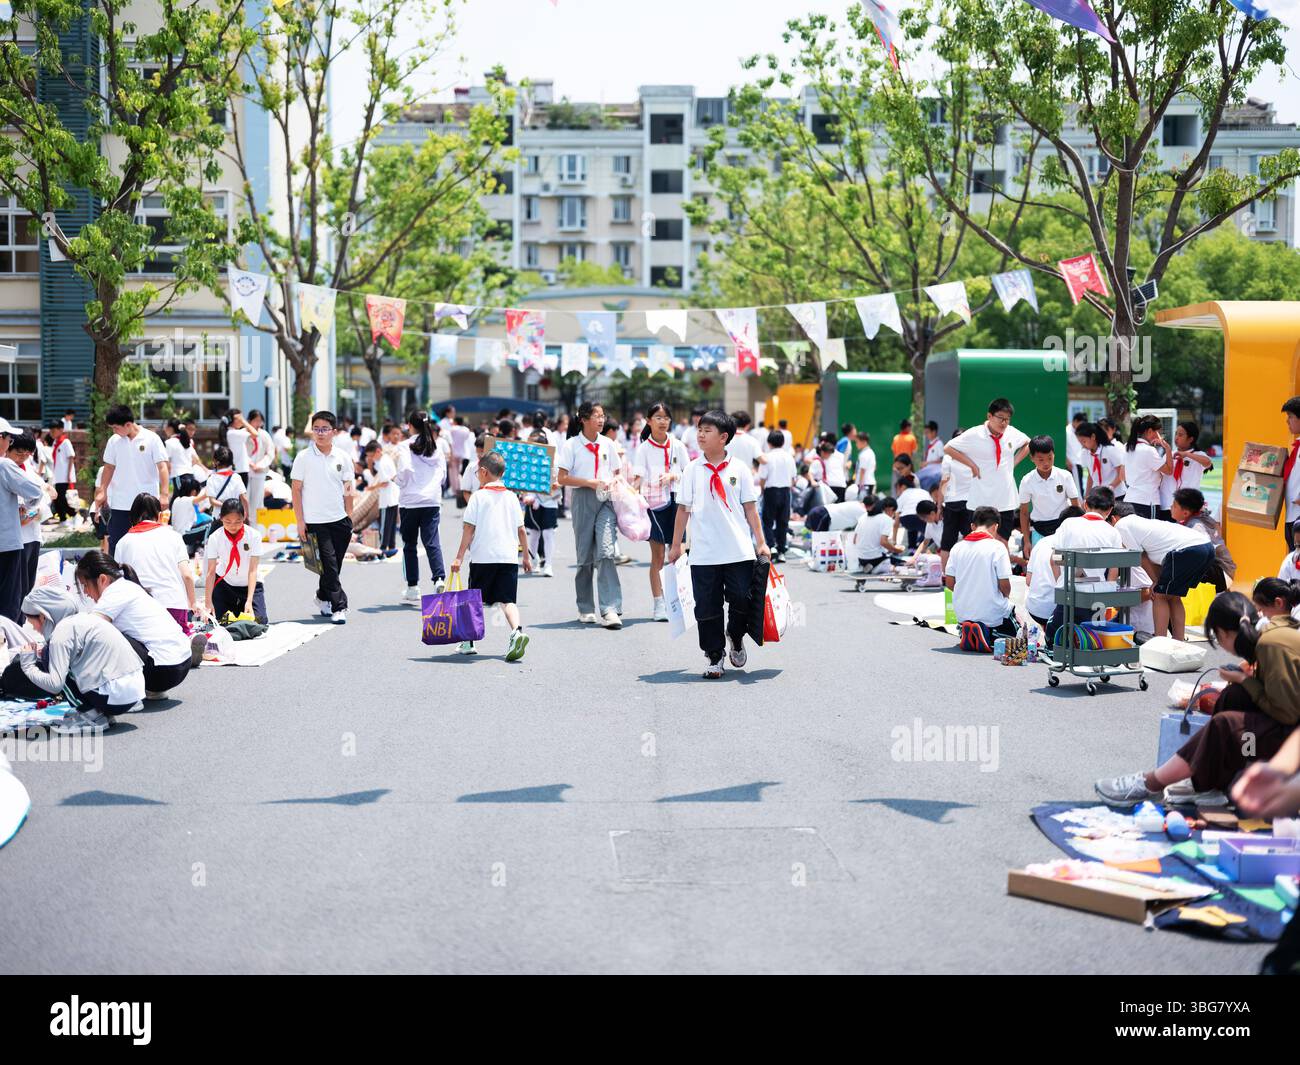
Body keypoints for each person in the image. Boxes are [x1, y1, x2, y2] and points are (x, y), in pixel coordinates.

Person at [1095, 592, 1300, 808]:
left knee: (1226, 725)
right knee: (1234, 697)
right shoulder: (1274, 631)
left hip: (1292, 735)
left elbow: (1286, 713)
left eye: (1218, 640)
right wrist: (1249, 679)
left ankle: (1151, 783)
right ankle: (1210, 784)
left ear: (1224, 633)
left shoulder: (1270, 643)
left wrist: (1244, 679)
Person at [668, 410, 770, 679]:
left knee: (741, 600)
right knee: (706, 608)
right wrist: (675, 545)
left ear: (724, 437)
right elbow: (683, 509)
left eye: (707, 431)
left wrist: (761, 542)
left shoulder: (739, 469)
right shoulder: (692, 469)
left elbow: (750, 508)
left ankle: (735, 636)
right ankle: (714, 655)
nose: (700, 435)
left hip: (738, 550)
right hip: (703, 553)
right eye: (699, 429)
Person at [75, 551, 197, 699]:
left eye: (85, 585)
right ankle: (151, 689)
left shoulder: (115, 592)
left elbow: (89, 627)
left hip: (164, 671)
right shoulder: (128, 586)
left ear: (102, 579)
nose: (86, 592)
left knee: (101, 634)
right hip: (181, 663)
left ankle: (129, 694)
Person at [18, 586, 146, 724]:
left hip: (113, 698)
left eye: (32, 623)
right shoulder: (85, 618)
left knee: (48, 656)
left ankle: (91, 715)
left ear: (43, 616)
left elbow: (55, 685)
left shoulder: (61, 633)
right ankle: (101, 712)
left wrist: (28, 665)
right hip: (135, 693)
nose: (34, 629)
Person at [449, 450, 531, 661]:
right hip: (508, 557)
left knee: (474, 600)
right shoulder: (512, 497)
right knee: (508, 600)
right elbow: (521, 529)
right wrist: (526, 557)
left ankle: (468, 642)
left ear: (484, 472)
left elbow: (468, 529)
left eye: (477, 472)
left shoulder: (478, 497)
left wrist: (458, 557)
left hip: (483, 557)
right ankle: (516, 631)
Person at [557, 402, 623, 629]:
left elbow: (617, 472)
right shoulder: (571, 445)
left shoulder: (608, 444)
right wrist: (589, 482)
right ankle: (585, 607)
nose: (601, 420)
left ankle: (610, 609)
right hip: (583, 498)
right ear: (583, 419)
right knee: (584, 557)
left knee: (606, 551)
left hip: (605, 500)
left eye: (603, 416)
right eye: (596, 416)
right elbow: (562, 478)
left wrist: (612, 484)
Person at [291, 410, 355, 625]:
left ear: (334, 432)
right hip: (316, 521)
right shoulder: (303, 457)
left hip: (340, 519)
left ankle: (322, 596)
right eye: (316, 428)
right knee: (329, 564)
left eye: (325, 429)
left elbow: (348, 488)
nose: (320, 433)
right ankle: (340, 606)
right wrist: (300, 521)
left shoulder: (343, 457)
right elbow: (296, 490)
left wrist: (350, 516)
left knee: (333, 565)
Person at [1112, 504, 1212, 640]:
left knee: (1159, 596)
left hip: (1186, 550)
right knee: (1174, 597)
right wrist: (1157, 580)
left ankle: (1160, 643)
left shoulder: (1121, 526)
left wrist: (1156, 582)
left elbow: (1141, 557)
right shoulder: (1140, 523)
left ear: (1113, 519)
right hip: (1205, 547)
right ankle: (1178, 641)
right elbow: (1152, 559)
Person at [632, 403, 688, 622]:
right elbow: (637, 478)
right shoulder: (643, 448)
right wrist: (630, 497)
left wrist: (673, 477)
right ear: (648, 421)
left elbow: (690, 473)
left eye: (666, 417)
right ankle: (659, 603)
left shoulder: (678, 446)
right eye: (658, 417)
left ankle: (681, 601)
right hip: (654, 504)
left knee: (679, 553)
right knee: (658, 556)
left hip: (677, 502)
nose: (663, 421)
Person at [112, 493, 195, 631]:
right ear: (159, 514)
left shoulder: (123, 542)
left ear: (133, 515)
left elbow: (117, 580)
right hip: (173, 602)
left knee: (147, 645)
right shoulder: (174, 537)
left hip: (140, 606)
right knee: (179, 643)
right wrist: (193, 603)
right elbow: (187, 575)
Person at [95, 405, 169, 554]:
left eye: (116, 427)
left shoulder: (151, 438)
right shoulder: (114, 441)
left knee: (148, 543)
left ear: (128, 424)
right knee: (117, 543)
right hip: (120, 502)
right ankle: (118, 575)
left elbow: (162, 467)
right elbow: (109, 467)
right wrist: (102, 491)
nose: (114, 431)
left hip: (147, 503)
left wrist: (164, 494)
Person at [394, 410, 447, 603]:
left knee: (410, 545)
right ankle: (439, 578)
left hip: (410, 501)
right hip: (431, 500)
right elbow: (443, 475)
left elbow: (405, 469)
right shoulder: (436, 447)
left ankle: (413, 587)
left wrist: (398, 481)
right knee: (432, 541)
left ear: (410, 425)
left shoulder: (404, 446)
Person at [945, 506, 1018, 643]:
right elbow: (1005, 587)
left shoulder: (957, 548)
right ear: (996, 527)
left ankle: (970, 629)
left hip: (963, 614)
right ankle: (988, 633)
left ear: (972, 526)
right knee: (1019, 634)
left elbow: (949, 584)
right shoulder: (997, 547)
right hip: (992, 615)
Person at [202, 498, 268, 625]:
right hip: (226, 584)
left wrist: (249, 601)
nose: (233, 526)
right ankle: (236, 610)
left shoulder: (254, 535)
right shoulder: (215, 537)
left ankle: (242, 606)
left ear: (244, 517)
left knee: (260, 622)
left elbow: (253, 570)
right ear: (221, 518)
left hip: (250, 585)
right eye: (228, 521)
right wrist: (208, 603)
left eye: (238, 521)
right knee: (222, 622)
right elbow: (211, 572)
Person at [1024, 505, 1084, 629]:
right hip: (1056, 611)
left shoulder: (1042, 542)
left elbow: (1028, 581)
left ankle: (1050, 636)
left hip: (1035, 608)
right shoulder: (1074, 544)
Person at [1017, 436, 1080, 553]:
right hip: (1039, 529)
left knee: (1062, 566)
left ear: (1054, 455)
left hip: (1063, 527)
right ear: (1031, 458)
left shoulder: (1065, 476)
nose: (1046, 463)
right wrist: (1026, 541)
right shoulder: (1027, 481)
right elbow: (1024, 512)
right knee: (1041, 565)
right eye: (1041, 459)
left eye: (1050, 458)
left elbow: (1076, 507)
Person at [1172, 487, 1236, 592]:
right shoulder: (1203, 519)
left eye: (1174, 506)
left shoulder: (1196, 526)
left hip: (1220, 574)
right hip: (1224, 571)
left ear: (1185, 513)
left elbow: (1203, 553)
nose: (1171, 507)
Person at [7, 435, 45, 597]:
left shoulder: (27, 469)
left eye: (27, 454)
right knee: (15, 587)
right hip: (15, 539)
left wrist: (35, 511)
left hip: (32, 534)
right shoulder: (5, 468)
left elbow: (46, 493)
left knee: (28, 584)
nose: (22, 458)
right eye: (19, 453)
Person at [522, 429, 560, 579]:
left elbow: (559, 482)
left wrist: (553, 487)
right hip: (533, 502)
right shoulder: (528, 462)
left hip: (549, 502)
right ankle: (534, 561)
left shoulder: (554, 461)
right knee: (534, 534)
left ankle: (548, 564)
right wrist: (529, 496)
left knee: (548, 533)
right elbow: (525, 483)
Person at [1121, 415, 1174, 520]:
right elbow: (1169, 470)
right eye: (1158, 432)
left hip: (1129, 499)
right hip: (1147, 501)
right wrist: (1168, 449)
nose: (1160, 435)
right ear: (1150, 431)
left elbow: (1122, 476)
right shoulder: (1148, 450)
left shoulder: (1126, 446)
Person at [1160, 420, 1212, 521]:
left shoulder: (1198, 455)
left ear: (1190, 439)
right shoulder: (1168, 455)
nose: (1176, 437)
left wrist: (1187, 455)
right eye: (1176, 434)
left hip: (1186, 508)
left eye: (1180, 435)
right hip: (1167, 505)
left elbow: (1208, 463)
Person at [757, 429, 796, 562]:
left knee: (768, 521)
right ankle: (781, 551)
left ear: (769, 443)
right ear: (783, 442)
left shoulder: (767, 456)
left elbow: (762, 477)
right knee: (783, 522)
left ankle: (771, 546)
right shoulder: (789, 456)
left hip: (771, 491)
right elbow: (793, 478)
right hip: (785, 491)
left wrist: (762, 490)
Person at [362, 441, 399, 558]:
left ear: (378, 451)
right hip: (393, 495)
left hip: (387, 497)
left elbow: (384, 482)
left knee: (385, 524)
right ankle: (391, 546)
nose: (370, 458)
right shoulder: (386, 458)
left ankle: (382, 548)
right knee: (391, 524)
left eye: (371, 456)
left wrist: (372, 487)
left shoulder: (382, 462)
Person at [1075, 421, 1125, 500]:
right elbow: (1090, 476)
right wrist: (1086, 496)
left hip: (1116, 495)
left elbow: (1121, 473)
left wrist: (1111, 487)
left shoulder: (1110, 450)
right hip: (1098, 496)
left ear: (1093, 437)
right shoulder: (1084, 453)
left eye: (1084, 441)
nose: (1082, 445)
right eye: (1080, 442)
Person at [197, 445, 248, 516]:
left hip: (218, 515)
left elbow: (212, 501)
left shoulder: (211, 478)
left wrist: (226, 506)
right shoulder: (237, 477)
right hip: (235, 515)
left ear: (215, 461)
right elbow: (244, 499)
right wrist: (246, 514)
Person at [243, 410, 275, 522]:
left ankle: (255, 525)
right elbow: (239, 451)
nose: (258, 423)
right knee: (244, 498)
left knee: (257, 500)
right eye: (255, 420)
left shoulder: (265, 435)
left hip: (259, 472)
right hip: (245, 470)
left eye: (260, 421)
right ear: (249, 421)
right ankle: (244, 522)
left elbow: (270, 453)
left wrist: (260, 465)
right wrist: (249, 463)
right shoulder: (243, 433)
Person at [854, 496, 901, 573]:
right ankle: (880, 568)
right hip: (876, 559)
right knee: (902, 563)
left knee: (885, 555)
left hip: (861, 558)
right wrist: (896, 550)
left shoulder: (863, 516)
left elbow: (855, 540)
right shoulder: (886, 519)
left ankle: (869, 567)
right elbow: (883, 542)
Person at [49, 420, 76, 523]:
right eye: (50, 431)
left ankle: (73, 515)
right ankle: (63, 519)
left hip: (64, 476)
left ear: (61, 430)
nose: (52, 433)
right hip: (57, 476)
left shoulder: (65, 442)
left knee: (61, 498)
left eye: (53, 431)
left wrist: (69, 474)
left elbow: (71, 457)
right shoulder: (55, 443)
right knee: (56, 498)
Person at [894, 474, 930, 549]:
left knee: (911, 527)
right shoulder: (924, 492)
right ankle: (920, 544)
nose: (897, 492)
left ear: (903, 487)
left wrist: (894, 540)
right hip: (922, 517)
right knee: (927, 533)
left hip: (906, 519)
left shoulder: (903, 495)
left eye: (897, 489)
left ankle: (912, 547)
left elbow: (896, 520)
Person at [1064, 411, 1087, 495]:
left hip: (1078, 463)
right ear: (1075, 421)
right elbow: (1064, 447)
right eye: (1080, 423)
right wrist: (1066, 460)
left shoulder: (1079, 432)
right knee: (1076, 489)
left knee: (1078, 487)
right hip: (1072, 463)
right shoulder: (1066, 431)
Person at [918, 421, 944, 490]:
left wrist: (927, 463)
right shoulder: (931, 444)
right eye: (925, 432)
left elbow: (941, 460)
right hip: (928, 473)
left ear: (934, 432)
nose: (926, 435)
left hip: (934, 475)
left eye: (927, 432)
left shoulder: (939, 443)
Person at [853, 431, 876, 497]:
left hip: (864, 484)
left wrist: (860, 485)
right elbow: (874, 467)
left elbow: (862, 470)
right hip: (868, 482)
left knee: (863, 504)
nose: (856, 444)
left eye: (857, 442)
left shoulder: (864, 454)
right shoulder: (870, 452)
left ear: (864, 442)